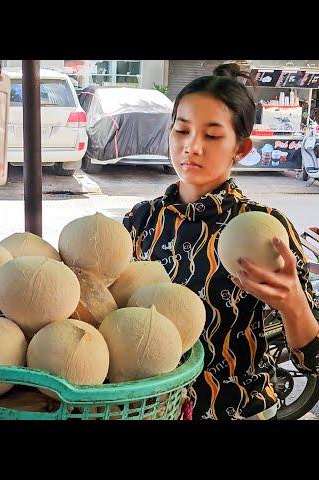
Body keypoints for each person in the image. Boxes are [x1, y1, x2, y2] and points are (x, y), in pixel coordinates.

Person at [122, 63, 319, 420]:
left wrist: (293, 305)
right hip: (152, 409)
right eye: (182, 130)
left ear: (240, 148)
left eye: (212, 136)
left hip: (238, 410)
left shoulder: (265, 228)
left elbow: (314, 359)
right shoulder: (141, 220)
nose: (191, 147)